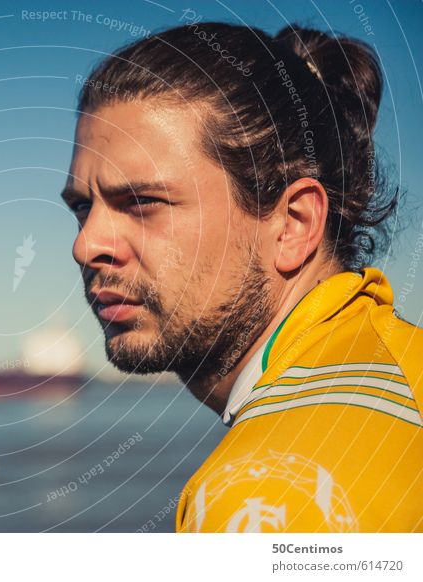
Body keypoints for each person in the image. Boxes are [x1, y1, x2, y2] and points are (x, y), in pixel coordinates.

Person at [62, 21, 423, 532]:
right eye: (82, 207)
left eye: (142, 203)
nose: (87, 244)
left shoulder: (270, 495)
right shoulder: (399, 369)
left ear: (293, 225)